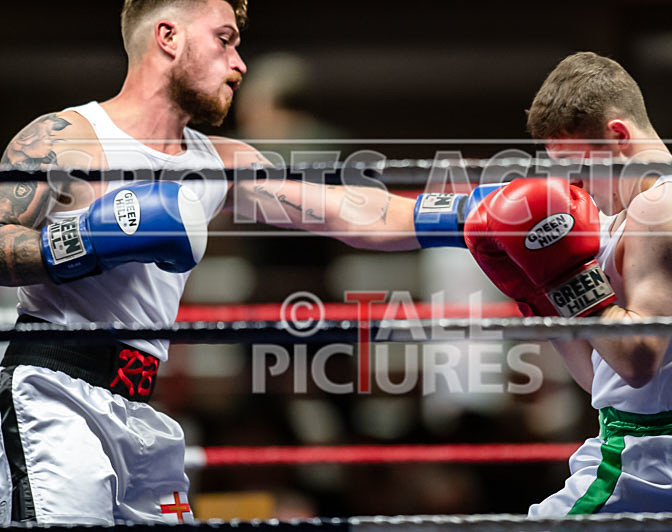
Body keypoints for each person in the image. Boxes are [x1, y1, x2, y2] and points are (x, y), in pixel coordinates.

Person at [0, 0, 431, 525]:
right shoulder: (67, 138)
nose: (239, 63)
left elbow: (352, 212)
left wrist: (469, 216)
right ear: (168, 36)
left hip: (140, 408)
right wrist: (88, 240)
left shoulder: (219, 162)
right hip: (54, 392)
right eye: (225, 39)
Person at [464, 51, 672, 515]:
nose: (578, 184)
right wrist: (538, 297)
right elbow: (603, 380)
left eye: (582, 166)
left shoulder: (661, 208)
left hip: (648, 461)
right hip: (664, 447)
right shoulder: (635, 212)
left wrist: (565, 276)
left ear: (618, 135)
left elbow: (638, 359)